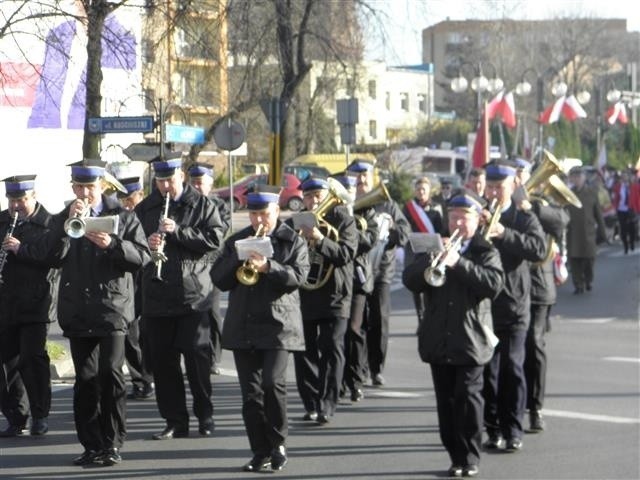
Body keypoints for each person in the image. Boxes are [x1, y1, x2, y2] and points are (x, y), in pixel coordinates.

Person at [43, 159, 150, 466]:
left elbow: (141, 256)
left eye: (90, 186)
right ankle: (91, 445)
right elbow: (49, 256)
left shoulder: (125, 217)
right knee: (86, 380)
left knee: (111, 374)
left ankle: (113, 442)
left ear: (102, 186)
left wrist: (113, 244)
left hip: (113, 309)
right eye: (79, 186)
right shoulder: (63, 218)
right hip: (78, 310)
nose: (84, 192)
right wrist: (66, 224)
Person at [403, 188, 504, 479]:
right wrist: (430, 259)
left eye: (464, 218)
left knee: (468, 400)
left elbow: (493, 284)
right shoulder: (434, 244)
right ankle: (454, 455)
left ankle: (470, 456)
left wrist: (458, 262)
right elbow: (411, 280)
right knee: (446, 403)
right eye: (453, 217)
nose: (458, 224)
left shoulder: (485, 249)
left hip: (471, 338)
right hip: (438, 337)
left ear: (475, 221)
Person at [211, 185, 309, 472]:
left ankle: (278, 443)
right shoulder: (237, 241)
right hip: (244, 326)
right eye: (253, 214)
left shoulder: (293, 241)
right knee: (251, 394)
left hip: (279, 326)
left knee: (272, 383)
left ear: (276, 211)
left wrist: (269, 267)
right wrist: (238, 260)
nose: (258, 221)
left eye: (264, 214)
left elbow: (298, 277)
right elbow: (219, 279)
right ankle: (259, 450)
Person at [135, 153, 224, 440]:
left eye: (170, 180)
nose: (165, 187)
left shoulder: (202, 204)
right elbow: (132, 242)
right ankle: (174, 420)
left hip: (193, 296)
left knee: (197, 362)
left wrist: (179, 232)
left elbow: (215, 241)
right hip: (157, 296)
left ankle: (205, 415)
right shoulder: (146, 207)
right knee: (163, 364)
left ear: (181, 177)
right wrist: (147, 242)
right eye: (160, 181)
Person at [481, 159, 546, 453]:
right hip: (484, 306)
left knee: (513, 368)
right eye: (490, 186)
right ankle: (493, 428)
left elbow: (538, 249)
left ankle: (514, 429)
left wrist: (503, 234)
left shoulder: (523, 217)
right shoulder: (478, 214)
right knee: (488, 372)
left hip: (516, 304)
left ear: (513, 186)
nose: (494, 192)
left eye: (499, 187)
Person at [291, 177, 357, 424]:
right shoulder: (298, 220)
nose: (314, 200)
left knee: (332, 349)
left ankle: (327, 404)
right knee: (303, 351)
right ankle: (310, 403)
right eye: (308, 196)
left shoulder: (343, 219)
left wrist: (320, 240)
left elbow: (346, 254)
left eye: (318, 195)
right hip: (306, 292)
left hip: (335, 294)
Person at [515, 160, 570, 433]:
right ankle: (507, 407)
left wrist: (531, 206)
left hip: (538, 286)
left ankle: (535, 408)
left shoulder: (541, 203)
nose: (521, 179)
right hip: (510, 285)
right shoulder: (503, 203)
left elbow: (562, 221)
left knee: (533, 345)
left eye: (524, 174)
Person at [346, 160, 410, 387]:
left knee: (379, 320)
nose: (362, 180)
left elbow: (404, 233)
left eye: (365, 176)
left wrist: (393, 228)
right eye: (356, 176)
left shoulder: (387, 204)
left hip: (381, 270)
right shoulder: (347, 203)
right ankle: (359, 368)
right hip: (358, 272)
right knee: (357, 322)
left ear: (372, 177)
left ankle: (376, 368)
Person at [0, 175, 55, 437]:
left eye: (21, 200)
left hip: (35, 304)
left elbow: (54, 257)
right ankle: (15, 416)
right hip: (5, 303)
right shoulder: (1, 221)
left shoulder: (49, 223)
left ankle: (40, 414)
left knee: (32, 360)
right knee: (6, 364)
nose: (15, 206)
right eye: (12, 200)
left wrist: (22, 249)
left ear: (32, 196)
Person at [336, 172, 379, 403]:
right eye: (345, 190)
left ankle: (355, 380)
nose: (349, 193)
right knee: (336, 334)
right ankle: (338, 381)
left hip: (358, 278)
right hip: (334, 279)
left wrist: (349, 227)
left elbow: (370, 239)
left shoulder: (366, 211)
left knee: (354, 330)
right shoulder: (331, 213)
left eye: (351, 190)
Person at [187, 162, 231, 375]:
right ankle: (192, 356)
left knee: (212, 314)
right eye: (193, 182)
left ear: (210, 184)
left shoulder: (219, 206)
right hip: (187, 267)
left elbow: (219, 235)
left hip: (211, 265)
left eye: (200, 183)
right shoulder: (184, 205)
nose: (196, 187)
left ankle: (213, 357)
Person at [114, 176, 154, 401]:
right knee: (130, 333)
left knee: (139, 335)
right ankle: (140, 380)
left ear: (140, 195)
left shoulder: (147, 213)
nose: (127, 204)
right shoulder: (121, 217)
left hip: (146, 278)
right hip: (127, 279)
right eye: (123, 200)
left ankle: (146, 379)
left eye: (130, 199)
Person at [402, 176, 443, 322]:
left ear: (429, 191)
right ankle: (421, 318)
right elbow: (404, 227)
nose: (421, 192)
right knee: (416, 286)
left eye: (423, 189)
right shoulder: (409, 208)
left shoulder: (436, 209)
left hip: (431, 253)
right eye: (418, 189)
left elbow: (441, 230)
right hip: (414, 252)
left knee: (431, 285)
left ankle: (431, 317)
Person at [566, 167, 607, 294]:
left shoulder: (592, 193)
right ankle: (578, 284)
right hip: (573, 233)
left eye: (579, 176)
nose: (577, 179)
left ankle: (588, 280)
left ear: (584, 177)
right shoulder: (568, 194)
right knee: (574, 260)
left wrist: (603, 232)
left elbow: (598, 215)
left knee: (589, 260)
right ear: (571, 178)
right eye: (574, 176)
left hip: (588, 233)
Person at [611, 169, 640, 254]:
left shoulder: (634, 186)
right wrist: (614, 208)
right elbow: (615, 198)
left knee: (632, 229)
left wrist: (638, 209)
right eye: (623, 177)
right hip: (621, 210)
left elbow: (637, 198)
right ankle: (625, 246)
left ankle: (631, 243)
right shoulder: (618, 187)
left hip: (631, 210)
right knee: (623, 230)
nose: (624, 178)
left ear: (628, 177)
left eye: (626, 176)